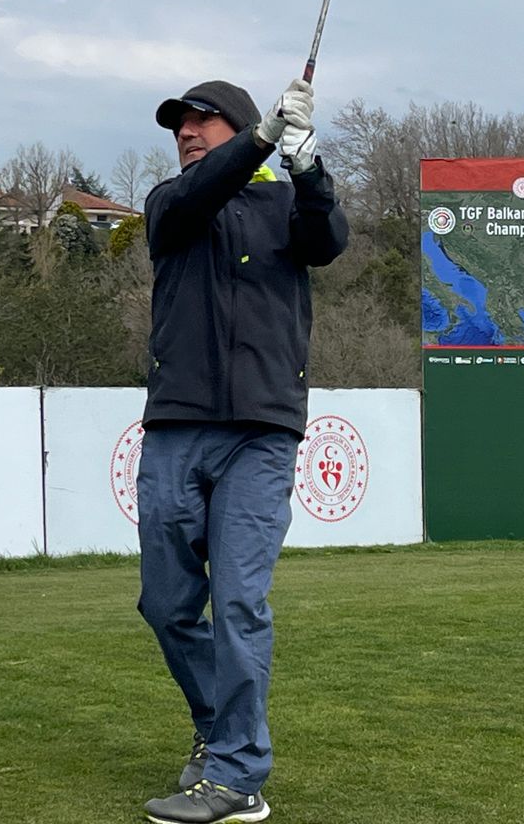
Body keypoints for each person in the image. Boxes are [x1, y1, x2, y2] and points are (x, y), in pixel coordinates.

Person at [137, 76, 349, 824]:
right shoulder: (171, 202)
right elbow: (198, 198)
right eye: (180, 125)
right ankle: (216, 727)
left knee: (237, 601)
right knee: (165, 605)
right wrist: (259, 141)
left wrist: (307, 165)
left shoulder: (287, 204)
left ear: (240, 124)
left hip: (262, 433)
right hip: (176, 426)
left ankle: (238, 775)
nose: (187, 133)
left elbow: (328, 240)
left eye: (204, 120)